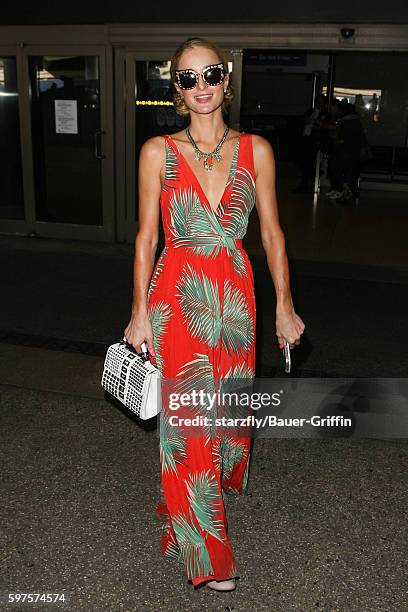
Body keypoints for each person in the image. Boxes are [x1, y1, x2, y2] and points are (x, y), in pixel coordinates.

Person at [124, 37, 305, 592]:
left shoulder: (257, 150)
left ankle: (186, 513)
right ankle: (208, 554)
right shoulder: (157, 152)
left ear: (226, 79)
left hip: (236, 301)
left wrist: (285, 305)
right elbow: (146, 238)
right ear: (176, 90)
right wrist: (137, 314)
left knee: (224, 419)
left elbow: (272, 233)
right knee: (189, 426)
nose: (200, 87)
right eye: (187, 78)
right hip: (178, 299)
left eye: (209, 75)